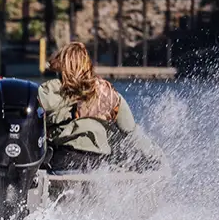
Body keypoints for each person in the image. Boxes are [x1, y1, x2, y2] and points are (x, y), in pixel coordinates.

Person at [37, 41, 163, 173]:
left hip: (64, 160)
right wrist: (156, 158)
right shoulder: (109, 94)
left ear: (63, 65)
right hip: (99, 164)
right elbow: (132, 134)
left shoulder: (50, 90)